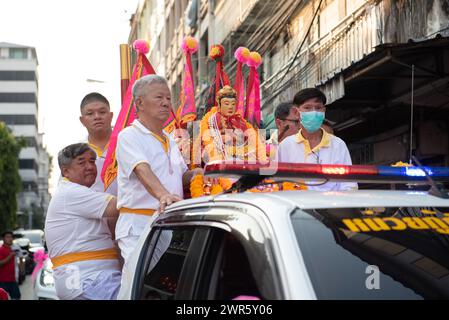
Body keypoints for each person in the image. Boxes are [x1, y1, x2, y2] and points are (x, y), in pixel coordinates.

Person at [115, 75, 201, 265]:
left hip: (167, 223)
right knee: (135, 286)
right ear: (139, 103)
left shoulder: (170, 139)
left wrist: (201, 174)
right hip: (138, 225)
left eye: (169, 99)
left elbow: (180, 176)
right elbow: (142, 169)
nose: (165, 103)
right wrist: (163, 195)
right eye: (159, 98)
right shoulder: (129, 136)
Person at [45, 143, 121, 300]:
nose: (90, 167)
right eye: (82, 162)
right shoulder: (71, 192)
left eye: (92, 161)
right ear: (66, 171)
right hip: (89, 280)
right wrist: (158, 193)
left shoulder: (76, 192)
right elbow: (118, 207)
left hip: (91, 281)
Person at [278, 88, 357, 191]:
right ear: (296, 113)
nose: (314, 112)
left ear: (323, 111)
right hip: (297, 205)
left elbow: (348, 185)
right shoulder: (286, 146)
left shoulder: (337, 145)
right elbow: (278, 182)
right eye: (307, 108)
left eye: (318, 107)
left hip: (331, 204)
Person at [196, 85, 267, 164]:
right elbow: (207, 141)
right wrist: (222, 139)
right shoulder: (210, 120)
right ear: (219, 105)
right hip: (218, 162)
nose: (230, 107)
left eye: (233, 104)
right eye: (226, 104)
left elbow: (256, 142)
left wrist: (262, 159)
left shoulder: (241, 122)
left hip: (243, 163)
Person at [79, 92, 117, 196]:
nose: (97, 117)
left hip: (126, 210)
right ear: (82, 120)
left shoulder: (126, 143)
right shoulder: (76, 152)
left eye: (102, 112)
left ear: (111, 116)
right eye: (90, 114)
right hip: (90, 210)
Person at [0, 231, 21, 300]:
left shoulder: (13, 249)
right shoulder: (1, 250)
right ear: (3, 239)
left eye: (11, 237)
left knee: (17, 296)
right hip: (2, 280)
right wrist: (10, 256)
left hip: (12, 279)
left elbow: (20, 258)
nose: (10, 239)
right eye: (8, 237)